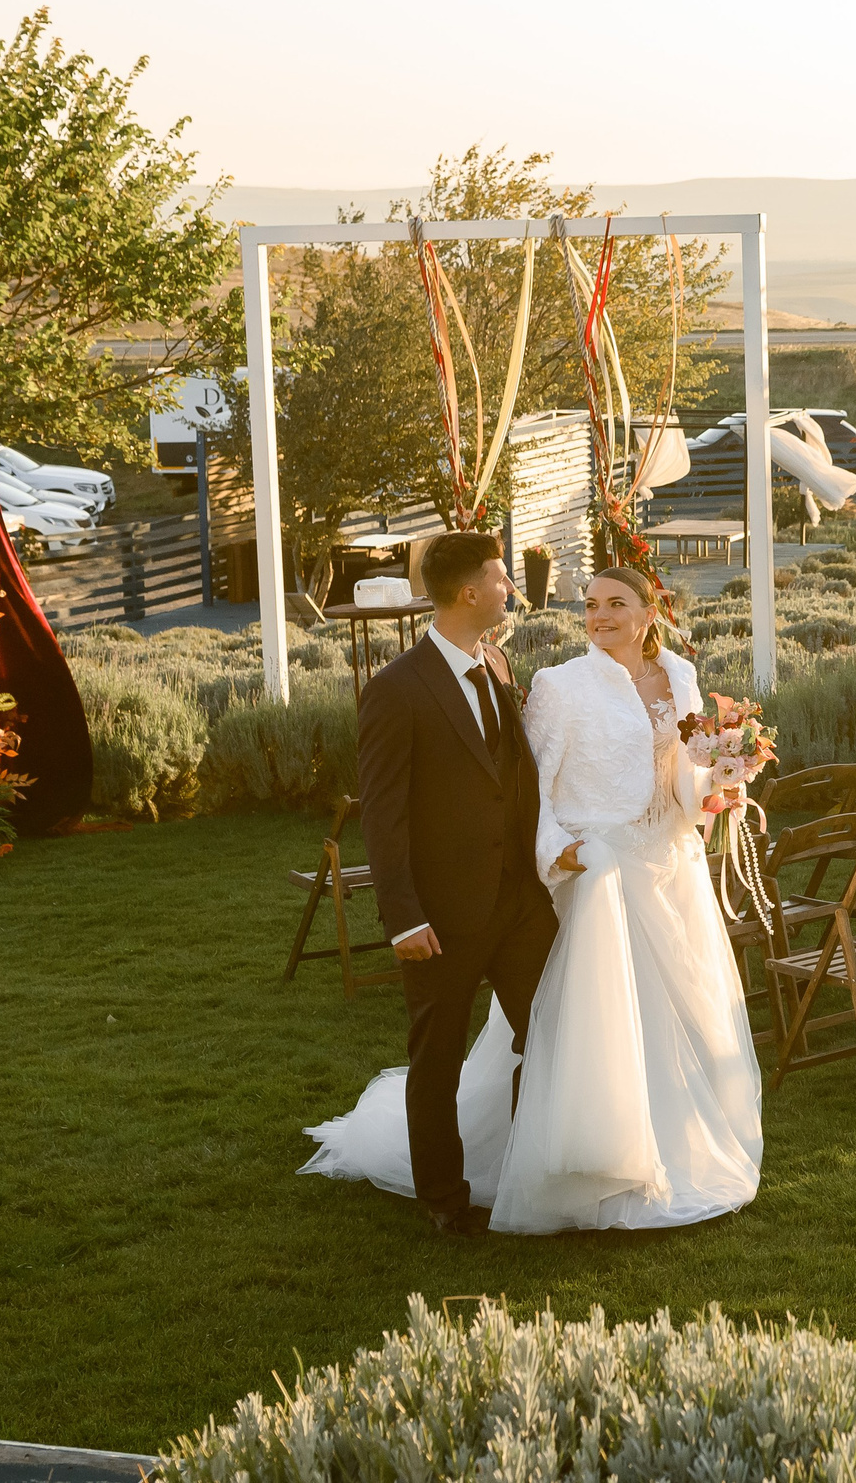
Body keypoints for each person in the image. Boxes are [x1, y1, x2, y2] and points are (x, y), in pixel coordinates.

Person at [302, 564, 762, 1234]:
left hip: (667, 871)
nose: (599, 615)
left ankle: (666, 1152)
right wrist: (563, 854)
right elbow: (531, 789)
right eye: (591, 604)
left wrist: (720, 783)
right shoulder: (559, 685)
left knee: (671, 1028)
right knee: (579, 1031)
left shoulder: (682, 679)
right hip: (595, 877)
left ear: (648, 610)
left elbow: (680, 782)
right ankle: (570, 1161)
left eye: (615, 603)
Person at [315, 529, 556, 1237]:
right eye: (499, 576)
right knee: (439, 1056)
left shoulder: (500, 663)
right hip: (442, 915)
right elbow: (383, 817)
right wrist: (403, 916)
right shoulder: (396, 690)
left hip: (519, 903)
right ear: (467, 591)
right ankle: (443, 1197)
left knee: (551, 1033)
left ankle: (531, 1167)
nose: (509, 587)